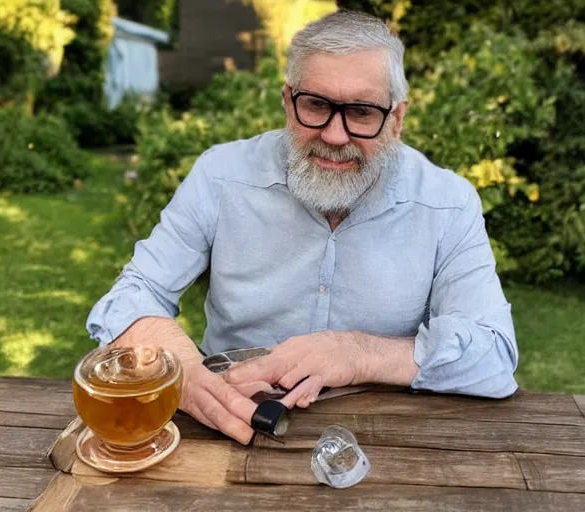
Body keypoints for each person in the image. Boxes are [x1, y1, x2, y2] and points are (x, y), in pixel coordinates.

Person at [86, 10, 518, 445]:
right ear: (288, 101)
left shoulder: (447, 202)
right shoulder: (220, 176)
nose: (334, 135)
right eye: (315, 104)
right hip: (229, 425)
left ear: (397, 119)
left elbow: (494, 353)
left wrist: (359, 354)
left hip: (389, 440)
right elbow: (131, 297)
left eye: (362, 112)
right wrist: (184, 372)